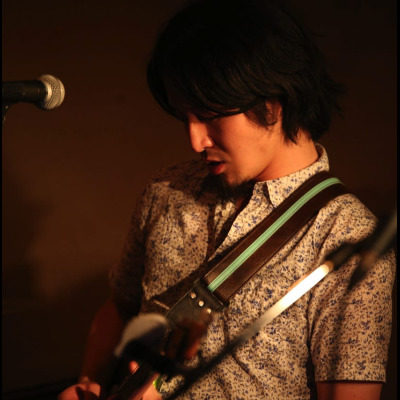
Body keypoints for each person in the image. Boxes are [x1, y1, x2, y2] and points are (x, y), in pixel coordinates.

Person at [58, 0, 396, 399]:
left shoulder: (349, 236)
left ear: (272, 98)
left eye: (208, 115)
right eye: (185, 118)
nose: (195, 140)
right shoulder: (167, 189)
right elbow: (121, 305)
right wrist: (90, 382)